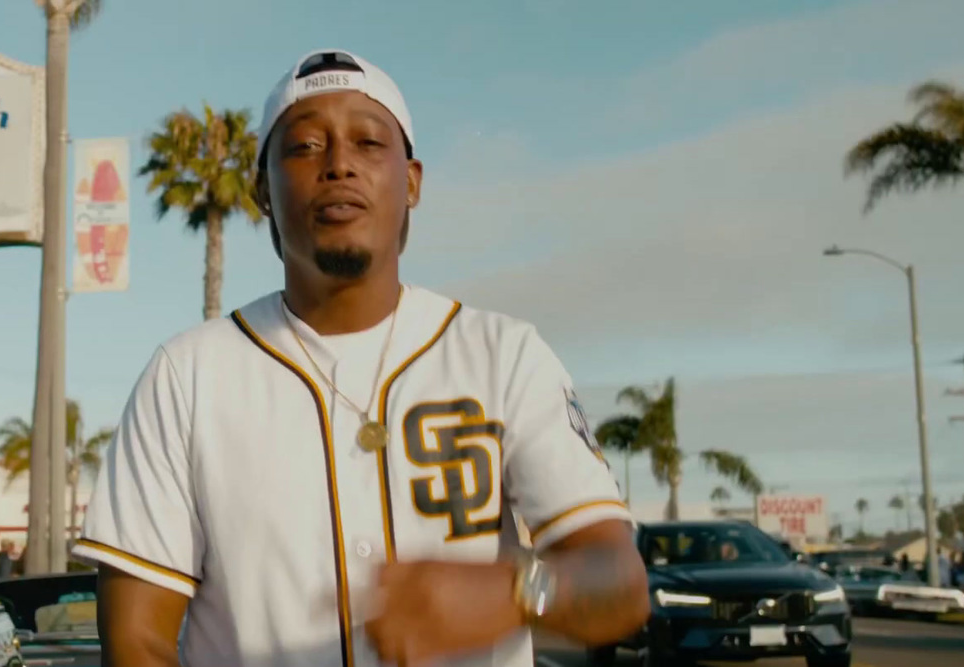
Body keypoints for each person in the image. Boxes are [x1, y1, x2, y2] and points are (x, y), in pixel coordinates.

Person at [74, 49, 649, 667]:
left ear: (412, 181)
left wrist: (513, 593)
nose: (339, 164)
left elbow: (619, 582)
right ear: (262, 190)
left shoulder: (504, 354)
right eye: (303, 148)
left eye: (370, 143)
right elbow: (139, 642)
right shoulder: (186, 376)